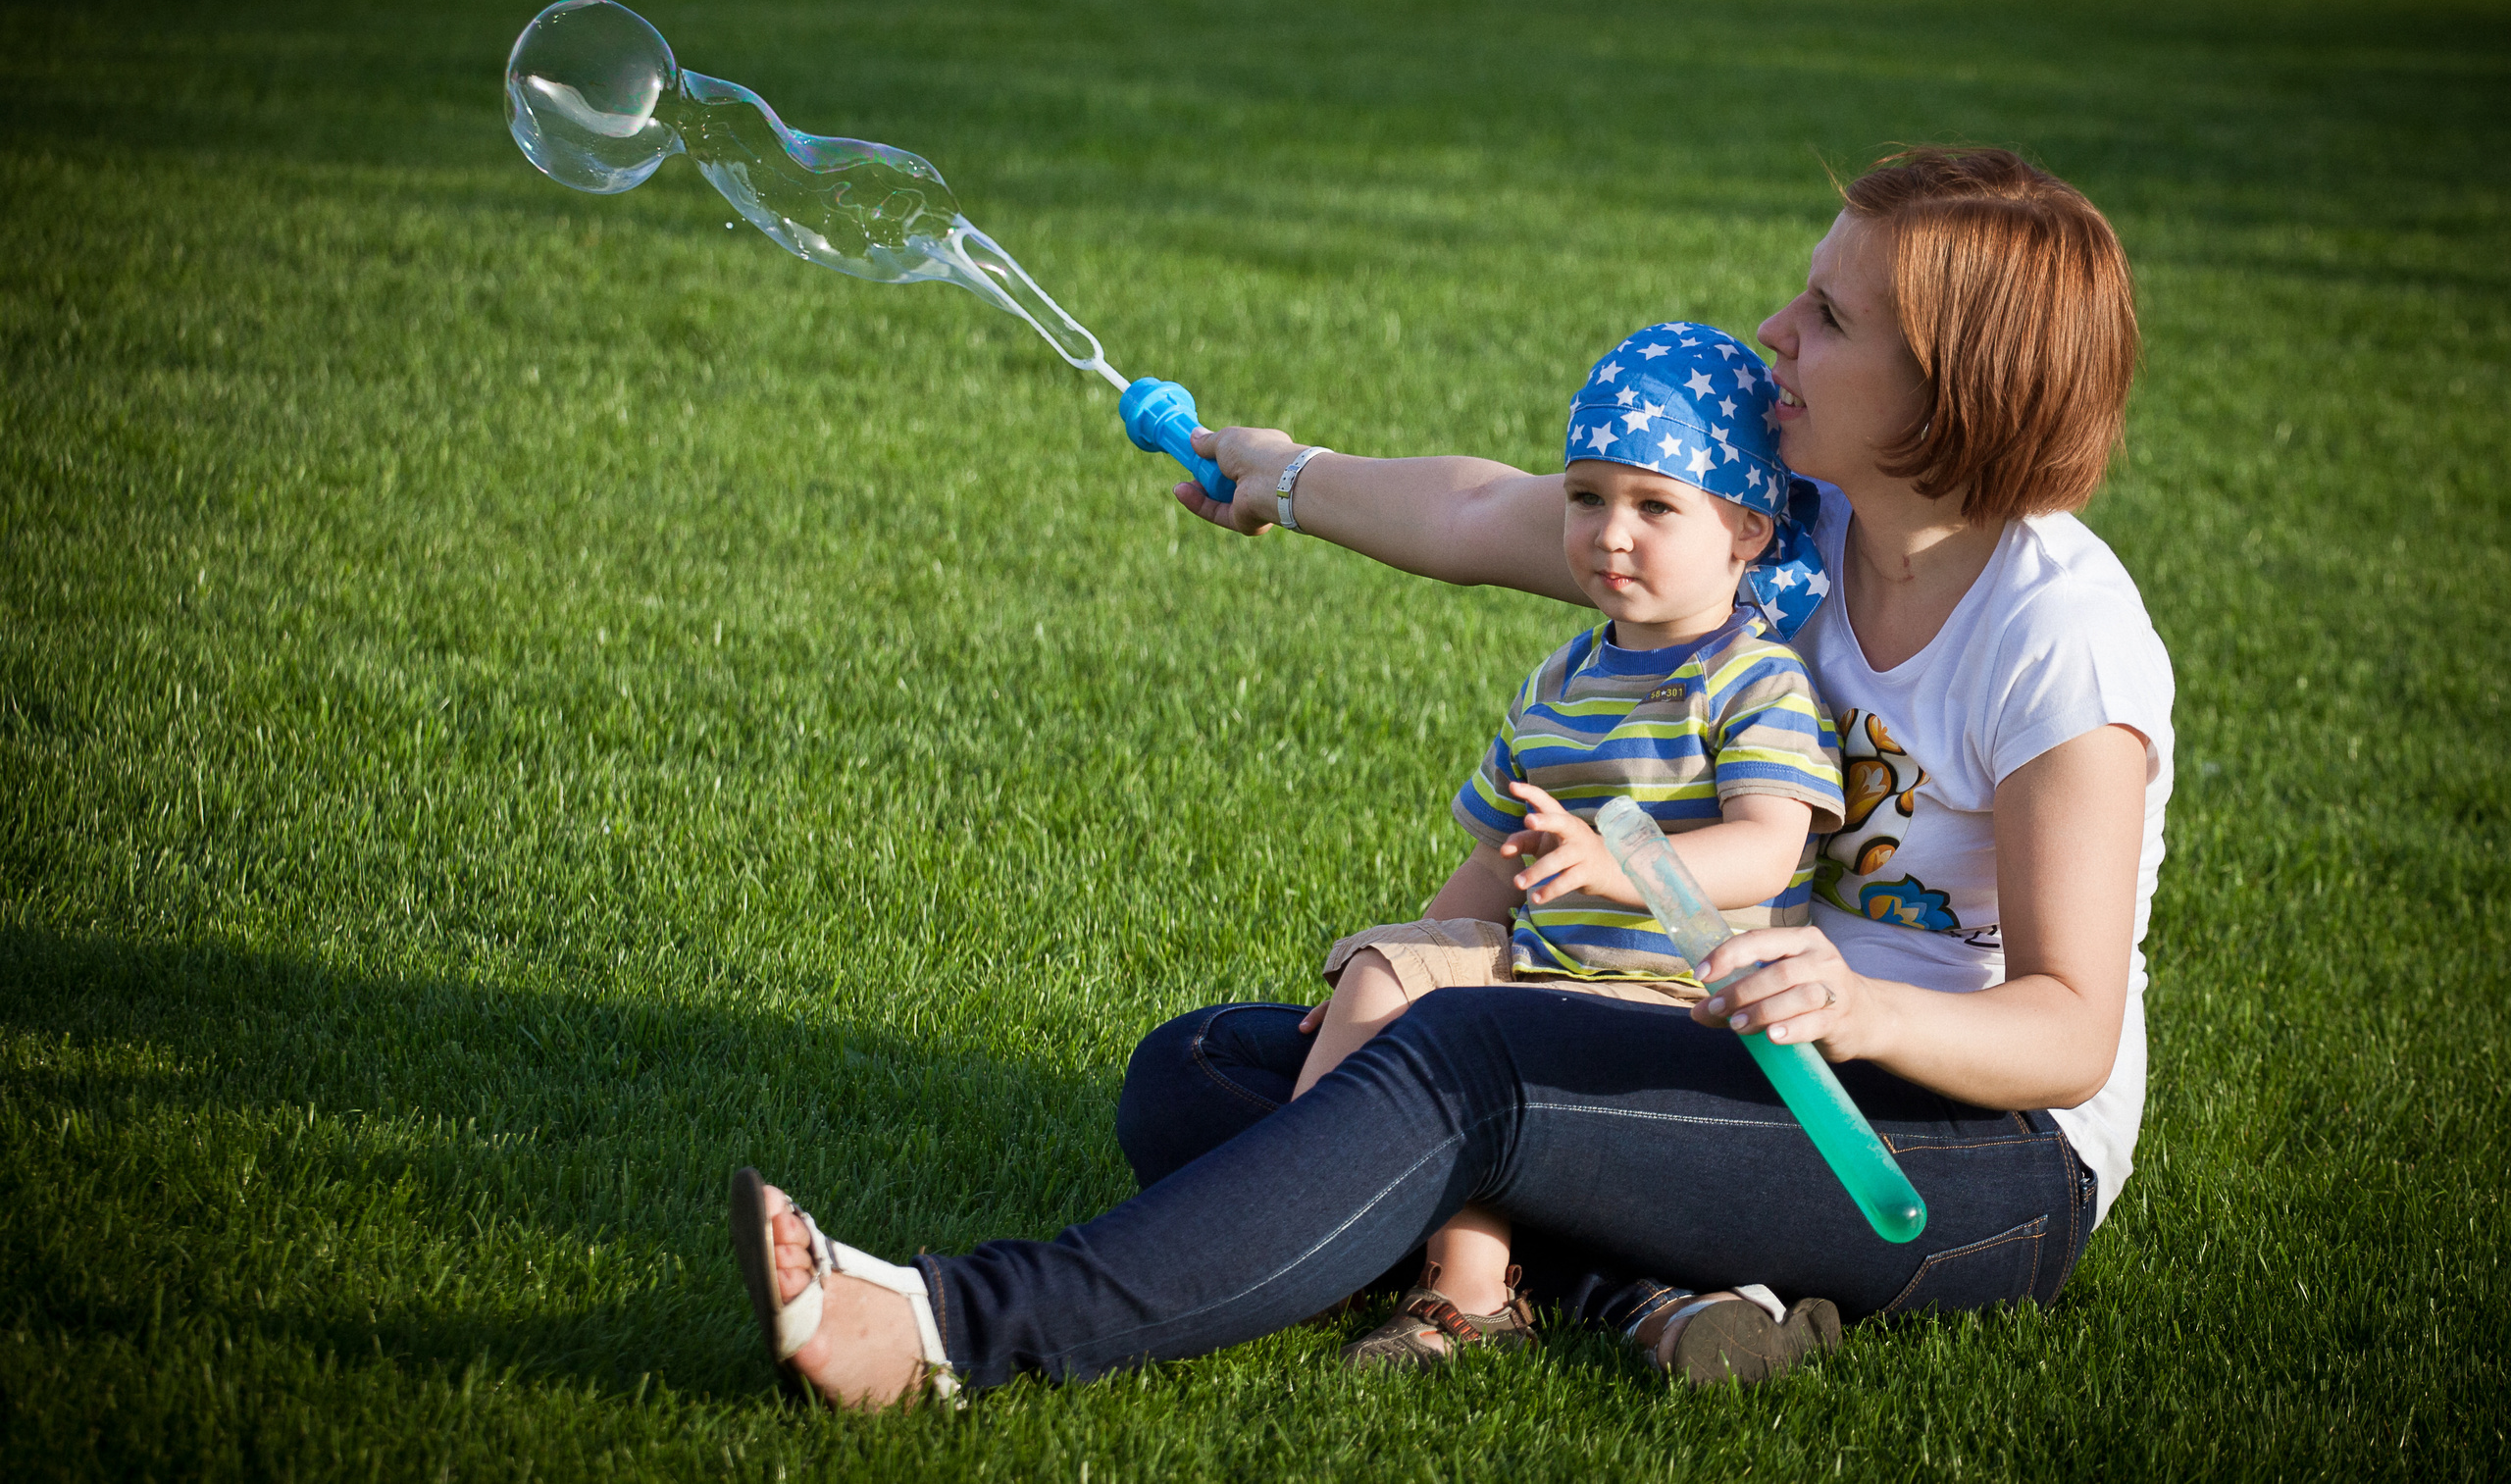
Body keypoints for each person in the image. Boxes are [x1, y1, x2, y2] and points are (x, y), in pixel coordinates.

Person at [727, 145, 2174, 1408]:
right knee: (1198, 1074)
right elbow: (1485, 509)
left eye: (1831, 318)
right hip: (1730, 1048)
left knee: (1457, 1062)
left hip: (1958, 1154)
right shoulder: (1787, 526)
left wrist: (1859, 1004)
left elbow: (2067, 1030)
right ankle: (1644, 1293)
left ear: (1954, 393)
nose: (1774, 331)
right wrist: (1284, 474)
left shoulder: (2058, 638)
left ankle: (951, 1331)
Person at [1302, 324, 1847, 1368]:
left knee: (1481, 1036)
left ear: (1746, 526)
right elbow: (1494, 864)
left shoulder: (1756, 679)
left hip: (1682, 1004)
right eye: (1586, 497)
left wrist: (1614, 862)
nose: (1610, 533)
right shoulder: (1560, 682)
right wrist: (1406, 969)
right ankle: (1317, 1215)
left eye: (1655, 506)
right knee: (1386, 970)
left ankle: (1460, 1292)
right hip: (1552, 976)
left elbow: (1766, 851)